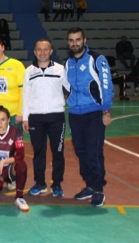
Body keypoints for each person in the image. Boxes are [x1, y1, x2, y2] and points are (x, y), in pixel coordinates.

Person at [64, 27, 113, 207]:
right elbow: (68, 87)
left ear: (84, 40)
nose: (74, 43)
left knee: (93, 153)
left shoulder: (97, 59)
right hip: (75, 114)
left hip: (94, 113)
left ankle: (99, 189)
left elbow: (106, 85)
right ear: (68, 42)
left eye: (78, 39)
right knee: (80, 152)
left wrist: (106, 111)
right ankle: (90, 185)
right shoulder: (69, 63)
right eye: (71, 40)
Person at [22, 39, 69, 197]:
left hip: (56, 117)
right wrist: (25, 117)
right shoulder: (29, 71)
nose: (42, 52)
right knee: (39, 152)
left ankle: (57, 184)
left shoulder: (61, 69)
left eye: (45, 49)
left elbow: (71, 88)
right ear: (35, 52)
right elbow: (25, 95)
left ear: (51, 51)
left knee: (58, 152)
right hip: (36, 118)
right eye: (39, 49)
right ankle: (40, 183)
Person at [0, 105, 29, 212]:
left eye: (3, 119)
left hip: (8, 169)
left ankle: (19, 197)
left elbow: (20, 154)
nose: (0, 123)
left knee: (22, 166)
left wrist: (3, 161)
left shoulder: (16, 133)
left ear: (9, 120)